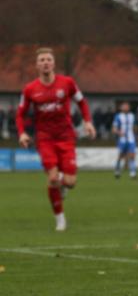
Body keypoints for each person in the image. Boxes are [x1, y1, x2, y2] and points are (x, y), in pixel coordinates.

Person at [15, 47, 96, 231]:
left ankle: (63, 185)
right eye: (42, 60)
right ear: (37, 65)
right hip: (45, 139)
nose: (45, 62)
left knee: (70, 182)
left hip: (66, 137)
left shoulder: (67, 83)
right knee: (53, 179)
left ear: (53, 63)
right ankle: (60, 218)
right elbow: (20, 114)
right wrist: (22, 132)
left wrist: (88, 122)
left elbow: (82, 102)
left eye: (48, 59)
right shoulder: (30, 89)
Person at [113, 101, 138, 179]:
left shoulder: (132, 116)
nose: (126, 107)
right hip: (122, 139)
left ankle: (132, 173)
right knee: (121, 156)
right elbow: (114, 129)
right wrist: (119, 132)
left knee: (132, 155)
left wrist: (137, 135)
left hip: (131, 139)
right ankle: (117, 170)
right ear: (121, 108)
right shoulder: (118, 116)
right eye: (124, 106)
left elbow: (135, 127)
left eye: (127, 106)